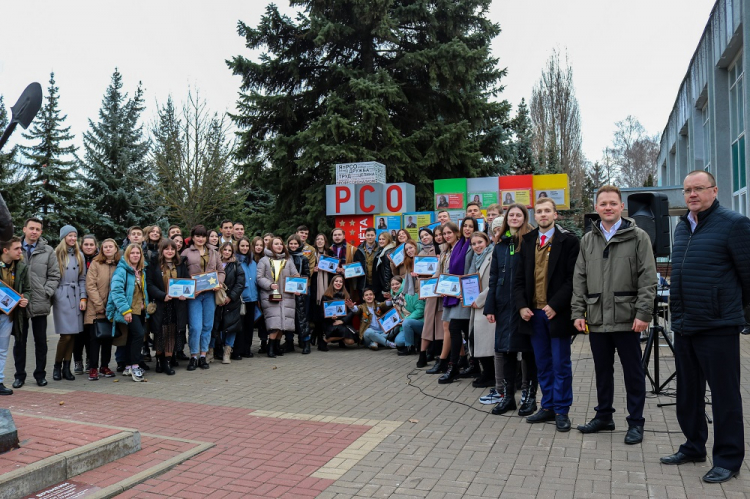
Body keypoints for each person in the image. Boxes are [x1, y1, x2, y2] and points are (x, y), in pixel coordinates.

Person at [660, 170, 750, 483]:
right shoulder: (682, 227)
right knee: (688, 393)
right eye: (687, 190)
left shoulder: (734, 224)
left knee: (725, 396)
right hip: (685, 325)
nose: (692, 195)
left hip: (718, 326)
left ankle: (727, 459)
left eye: (699, 189)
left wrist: (733, 312)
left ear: (714, 190)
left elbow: (748, 277)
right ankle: (693, 446)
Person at [571, 185, 655, 445]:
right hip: (597, 318)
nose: (608, 207)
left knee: (633, 372)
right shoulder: (588, 240)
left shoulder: (638, 236)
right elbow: (580, 279)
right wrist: (578, 311)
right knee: (602, 371)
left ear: (621, 207)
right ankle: (604, 416)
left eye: (613, 203)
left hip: (628, 318)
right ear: (596, 208)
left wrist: (643, 312)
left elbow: (648, 278)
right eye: (603, 203)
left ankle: (636, 423)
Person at [513, 197, 579, 432]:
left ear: (555, 215)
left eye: (547, 211)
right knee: (542, 364)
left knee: (561, 364)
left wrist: (556, 304)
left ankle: (562, 410)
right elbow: (519, 279)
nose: (543, 214)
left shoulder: (569, 241)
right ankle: (548, 406)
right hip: (533, 314)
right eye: (539, 211)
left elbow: (574, 279)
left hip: (556, 313)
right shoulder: (528, 241)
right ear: (535, 216)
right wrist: (521, 306)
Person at [485, 204, 537, 414]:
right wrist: (490, 306)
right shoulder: (500, 245)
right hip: (503, 305)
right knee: (505, 351)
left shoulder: (530, 241)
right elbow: (494, 277)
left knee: (527, 352)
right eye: (511, 215)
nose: (515, 217)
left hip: (524, 306)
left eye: (519, 215)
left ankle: (529, 396)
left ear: (524, 218)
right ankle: (508, 397)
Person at [13, 218, 60, 389]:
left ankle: (40, 375)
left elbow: (55, 276)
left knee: (41, 342)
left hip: (40, 302)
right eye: (31, 228)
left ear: (41, 232)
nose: (34, 231)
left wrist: (46, 293)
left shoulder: (48, 251)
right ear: (24, 229)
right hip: (18, 304)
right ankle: (19, 375)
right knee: (19, 342)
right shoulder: (15, 248)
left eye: (38, 229)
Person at [436, 216, 476, 384]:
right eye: (465, 226)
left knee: (457, 329)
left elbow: (472, 270)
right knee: (461, 330)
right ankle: (468, 364)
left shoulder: (473, 245)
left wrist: (462, 289)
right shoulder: (458, 245)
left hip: (465, 293)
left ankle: (457, 366)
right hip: (454, 293)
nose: (467, 229)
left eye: (471, 226)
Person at [182, 225, 225, 370]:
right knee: (195, 327)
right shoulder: (186, 252)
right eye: (197, 236)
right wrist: (191, 289)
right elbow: (182, 273)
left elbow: (221, 270)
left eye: (203, 236)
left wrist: (219, 282)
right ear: (193, 237)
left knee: (207, 326)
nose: (200, 239)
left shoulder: (213, 251)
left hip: (210, 294)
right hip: (194, 295)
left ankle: (203, 355)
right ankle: (193, 356)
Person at [146, 239, 191, 375]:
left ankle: (167, 361)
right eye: (167, 249)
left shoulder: (180, 264)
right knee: (160, 333)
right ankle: (159, 360)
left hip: (176, 305)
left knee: (172, 333)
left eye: (172, 249)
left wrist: (185, 293)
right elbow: (149, 284)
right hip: (161, 303)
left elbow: (186, 281)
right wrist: (162, 295)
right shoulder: (154, 264)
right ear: (162, 250)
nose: (170, 251)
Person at [107, 244, 149, 382]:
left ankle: (128, 365)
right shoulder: (122, 270)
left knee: (132, 337)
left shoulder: (141, 270)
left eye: (138, 253)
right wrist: (125, 310)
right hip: (128, 310)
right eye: (132, 253)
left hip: (139, 310)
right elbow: (117, 292)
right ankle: (135, 365)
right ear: (127, 255)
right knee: (138, 335)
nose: (135, 255)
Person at [52, 225, 87, 382]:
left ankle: (67, 367)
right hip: (62, 296)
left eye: (74, 236)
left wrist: (83, 297)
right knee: (65, 335)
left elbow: (82, 279)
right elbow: (52, 277)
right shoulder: (57, 254)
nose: (72, 238)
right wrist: (57, 294)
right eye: (69, 236)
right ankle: (57, 366)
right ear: (63, 237)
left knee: (73, 334)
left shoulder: (80, 255)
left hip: (75, 297)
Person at [257, 236, 299, 358]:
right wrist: (270, 285)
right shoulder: (264, 261)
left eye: (281, 244)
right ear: (270, 246)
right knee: (274, 323)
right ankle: (270, 348)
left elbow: (295, 275)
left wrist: (297, 286)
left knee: (283, 323)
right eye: (276, 244)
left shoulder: (288, 260)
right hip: (270, 295)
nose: (280, 246)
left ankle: (276, 347)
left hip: (287, 296)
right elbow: (259, 278)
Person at [84, 238, 120, 380]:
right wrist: (99, 305)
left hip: (112, 308)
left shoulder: (120, 265)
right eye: (105, 247)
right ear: (102, 249)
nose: (108, 249)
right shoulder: (96, 263)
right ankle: (93, 367)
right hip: (95, 308)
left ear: (116, 249)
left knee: (107, 339)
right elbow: (90, 285)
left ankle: (104, 366)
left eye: (111, 247)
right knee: (94, 339)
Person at [465, 231, 495, 388]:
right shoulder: (475, 260)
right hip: (476, 307)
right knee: (477, 340)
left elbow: (493, 283)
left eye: (480, 242)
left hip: (487, 306)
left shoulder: (492, 256)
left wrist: (479, 300)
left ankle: (490, 375)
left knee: (485, 342)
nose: (477, 246)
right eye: (474, 244)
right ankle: (488, 374)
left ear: (487, 242)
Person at [1, 237, 30, 395]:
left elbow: (28, 289)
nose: (21, 251)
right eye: (17, 248)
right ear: (6, 250)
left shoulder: (21, 267)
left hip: (8, 315)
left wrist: (25, 299)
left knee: (2, 350)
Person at [214, 241, 246, 364]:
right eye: (225, 250)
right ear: (221, 250)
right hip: (217, 299)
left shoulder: (236, 265)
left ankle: (227, 352)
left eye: (229, 250)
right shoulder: (215, 264)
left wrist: (230, 297)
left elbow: (240, 283)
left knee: (231, 327)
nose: (227, 252)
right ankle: (214, 351)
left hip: (232, 301)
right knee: (216, 326)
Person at [74, 234, 98, 375]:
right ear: (81, 246)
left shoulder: (99, 260)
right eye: (86, 244)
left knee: (91, 332)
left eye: (91, 244)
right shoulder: (77, 258)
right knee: (78, 332)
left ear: (96, 246)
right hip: (78, 299)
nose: (89, 247)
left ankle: (90, 359)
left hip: (94, 300)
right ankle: (77, 361)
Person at [287, 235, 311, 353]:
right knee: (289, 317)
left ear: (299, 244)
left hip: (299, 292)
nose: (293, 246)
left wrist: (299, 287)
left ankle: (306, 342)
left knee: (302, 318)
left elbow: (307, 275)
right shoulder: (285, 258)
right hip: (287, 292)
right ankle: (289, 342)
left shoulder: (303, 258)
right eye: (291, 243)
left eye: (295, 244)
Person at [319, 275, 355, 350]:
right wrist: (330, 318)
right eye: (336, 281)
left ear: (343, 284)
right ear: (332, 283)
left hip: (343, 322)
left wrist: (342, 321)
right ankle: (324, 341)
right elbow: (321, 314)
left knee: (351, 341)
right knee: (342, 332)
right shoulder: (325, 297)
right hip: (330, 323)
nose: (338, 283)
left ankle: (338, 339)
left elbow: (351, 312)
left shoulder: (347, 296)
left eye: (341, 282)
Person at [358, 281, 397, 350]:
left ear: (374, 296)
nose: (369, 296)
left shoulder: (378, 304)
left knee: (396, 324)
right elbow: (356, 310)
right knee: (368, 331)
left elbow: (386, 304)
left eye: (370, 294)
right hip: (369, 336)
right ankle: (388, 343)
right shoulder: (362, 307)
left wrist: (391, 298)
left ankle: (376, 342)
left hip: (383, 332)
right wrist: (351, 307)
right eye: (366, 295)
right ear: (363, 298)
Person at [235, 236, 258, 358]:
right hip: (240, 299)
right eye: (242, 246)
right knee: (240, 326)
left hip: (252, 298)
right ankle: (238, 349)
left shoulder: (253, 263)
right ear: (238, 247)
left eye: (247, 246)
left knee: (249, 325)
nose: (244, 248)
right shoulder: (235, 262)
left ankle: (247, 348)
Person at [331, 228, 366, 300]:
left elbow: (360, 268)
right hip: (333, 283)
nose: (337, 237)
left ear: (344, 236)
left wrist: (346, 270)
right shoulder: (329, 250)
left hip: (348, 283)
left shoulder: (353, 249)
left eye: (339, 235)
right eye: (335, 235)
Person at [311, 234, 331, 349]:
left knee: (324, 315)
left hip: (327, 287)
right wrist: (312, 270)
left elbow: (334, 269)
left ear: (325, 241)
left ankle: (319, 337)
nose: (319, 241)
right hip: (315, 287)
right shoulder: (311, 253)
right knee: (317, 314)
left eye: (321, 239)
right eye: (317, 239)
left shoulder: (330, 253)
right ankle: (316, 334)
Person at [252, 236, 270, 353]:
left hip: (264, 292)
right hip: (253, 292)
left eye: (261, 245)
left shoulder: (266, 259)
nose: (258, 247)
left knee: (264, 319)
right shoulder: (249, 259)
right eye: (256, 245)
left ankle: (264, 342)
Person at [373, 232, 396, 301]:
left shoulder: (387, 252)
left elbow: (387, 271)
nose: (381, 241)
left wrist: (386, 288)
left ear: (388, 240)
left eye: (383, 239)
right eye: (379, 239)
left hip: (386, 286)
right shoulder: (383, 250)